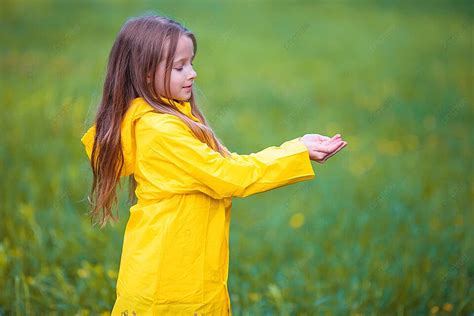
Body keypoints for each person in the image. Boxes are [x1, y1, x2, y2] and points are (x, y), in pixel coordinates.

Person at [80, 14, 347, 316]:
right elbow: (230, 177)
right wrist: (297, 152)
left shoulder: (171, 119)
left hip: (181, 272)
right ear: (145, 74)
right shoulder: (160, 131)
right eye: (179, 67)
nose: (192, 73)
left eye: (191, 62)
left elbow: (227, 165)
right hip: (169, 283)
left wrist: (298, 148)